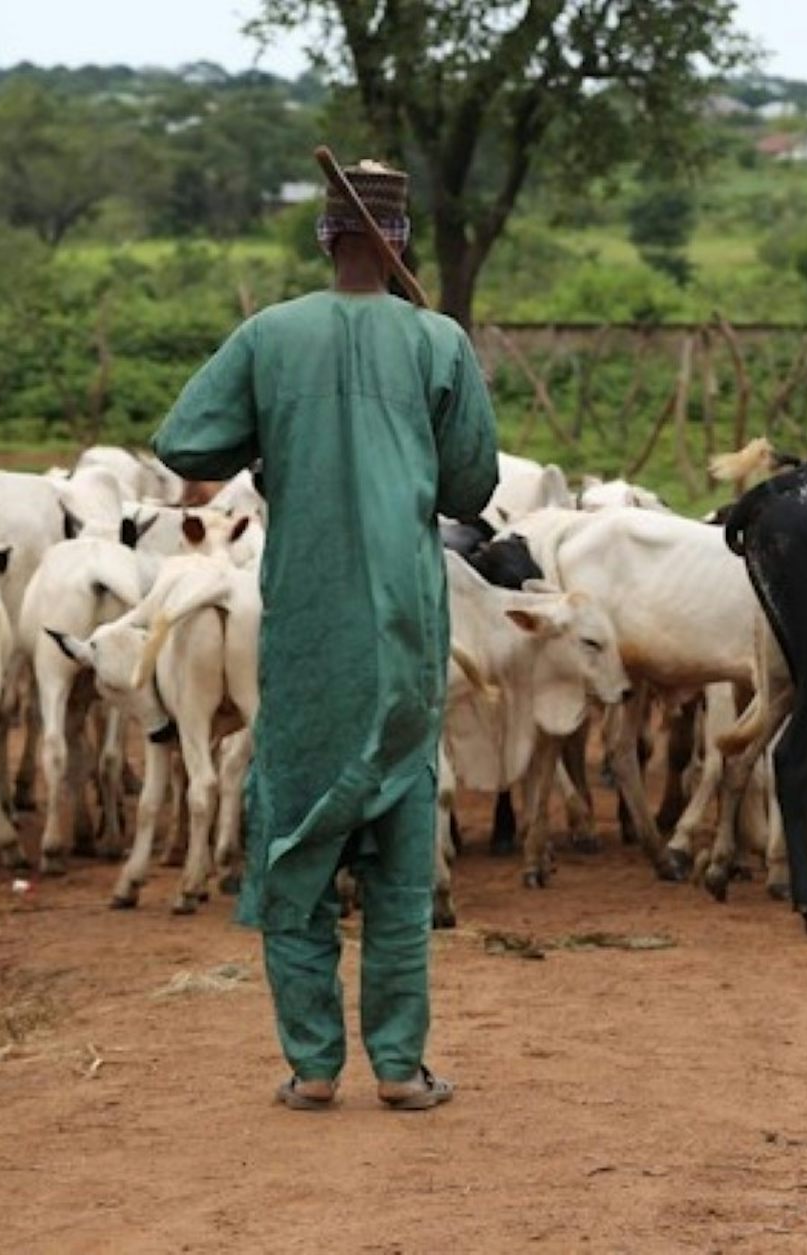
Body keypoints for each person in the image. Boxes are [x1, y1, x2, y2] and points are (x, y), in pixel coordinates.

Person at [151, 159, 499, 1111]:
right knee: (397, 851)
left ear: (324, 238)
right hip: (403, 632)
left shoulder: (269, 335)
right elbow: (472, 490)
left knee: (295, 839)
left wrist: (271, 439)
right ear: (403, 245)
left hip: (303, 633)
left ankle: (311, 1067)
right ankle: (398, 1066)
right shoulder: (439, 341)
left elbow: (183, 445)